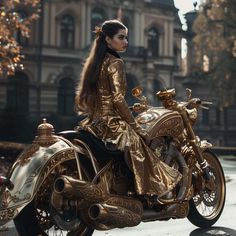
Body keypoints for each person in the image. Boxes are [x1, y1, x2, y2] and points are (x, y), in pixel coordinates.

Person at [75, 19, 181, 197]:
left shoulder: (96, 62)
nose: (126, 42)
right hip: (111, 124)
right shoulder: (116, 62)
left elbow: (105, 97)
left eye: (126, 38)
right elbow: (117, 99)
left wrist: (128, 109)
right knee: (144, 143)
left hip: (94, 123)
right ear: (108, 40)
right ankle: (151, 191)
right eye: (121, 37)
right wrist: (137, 128)